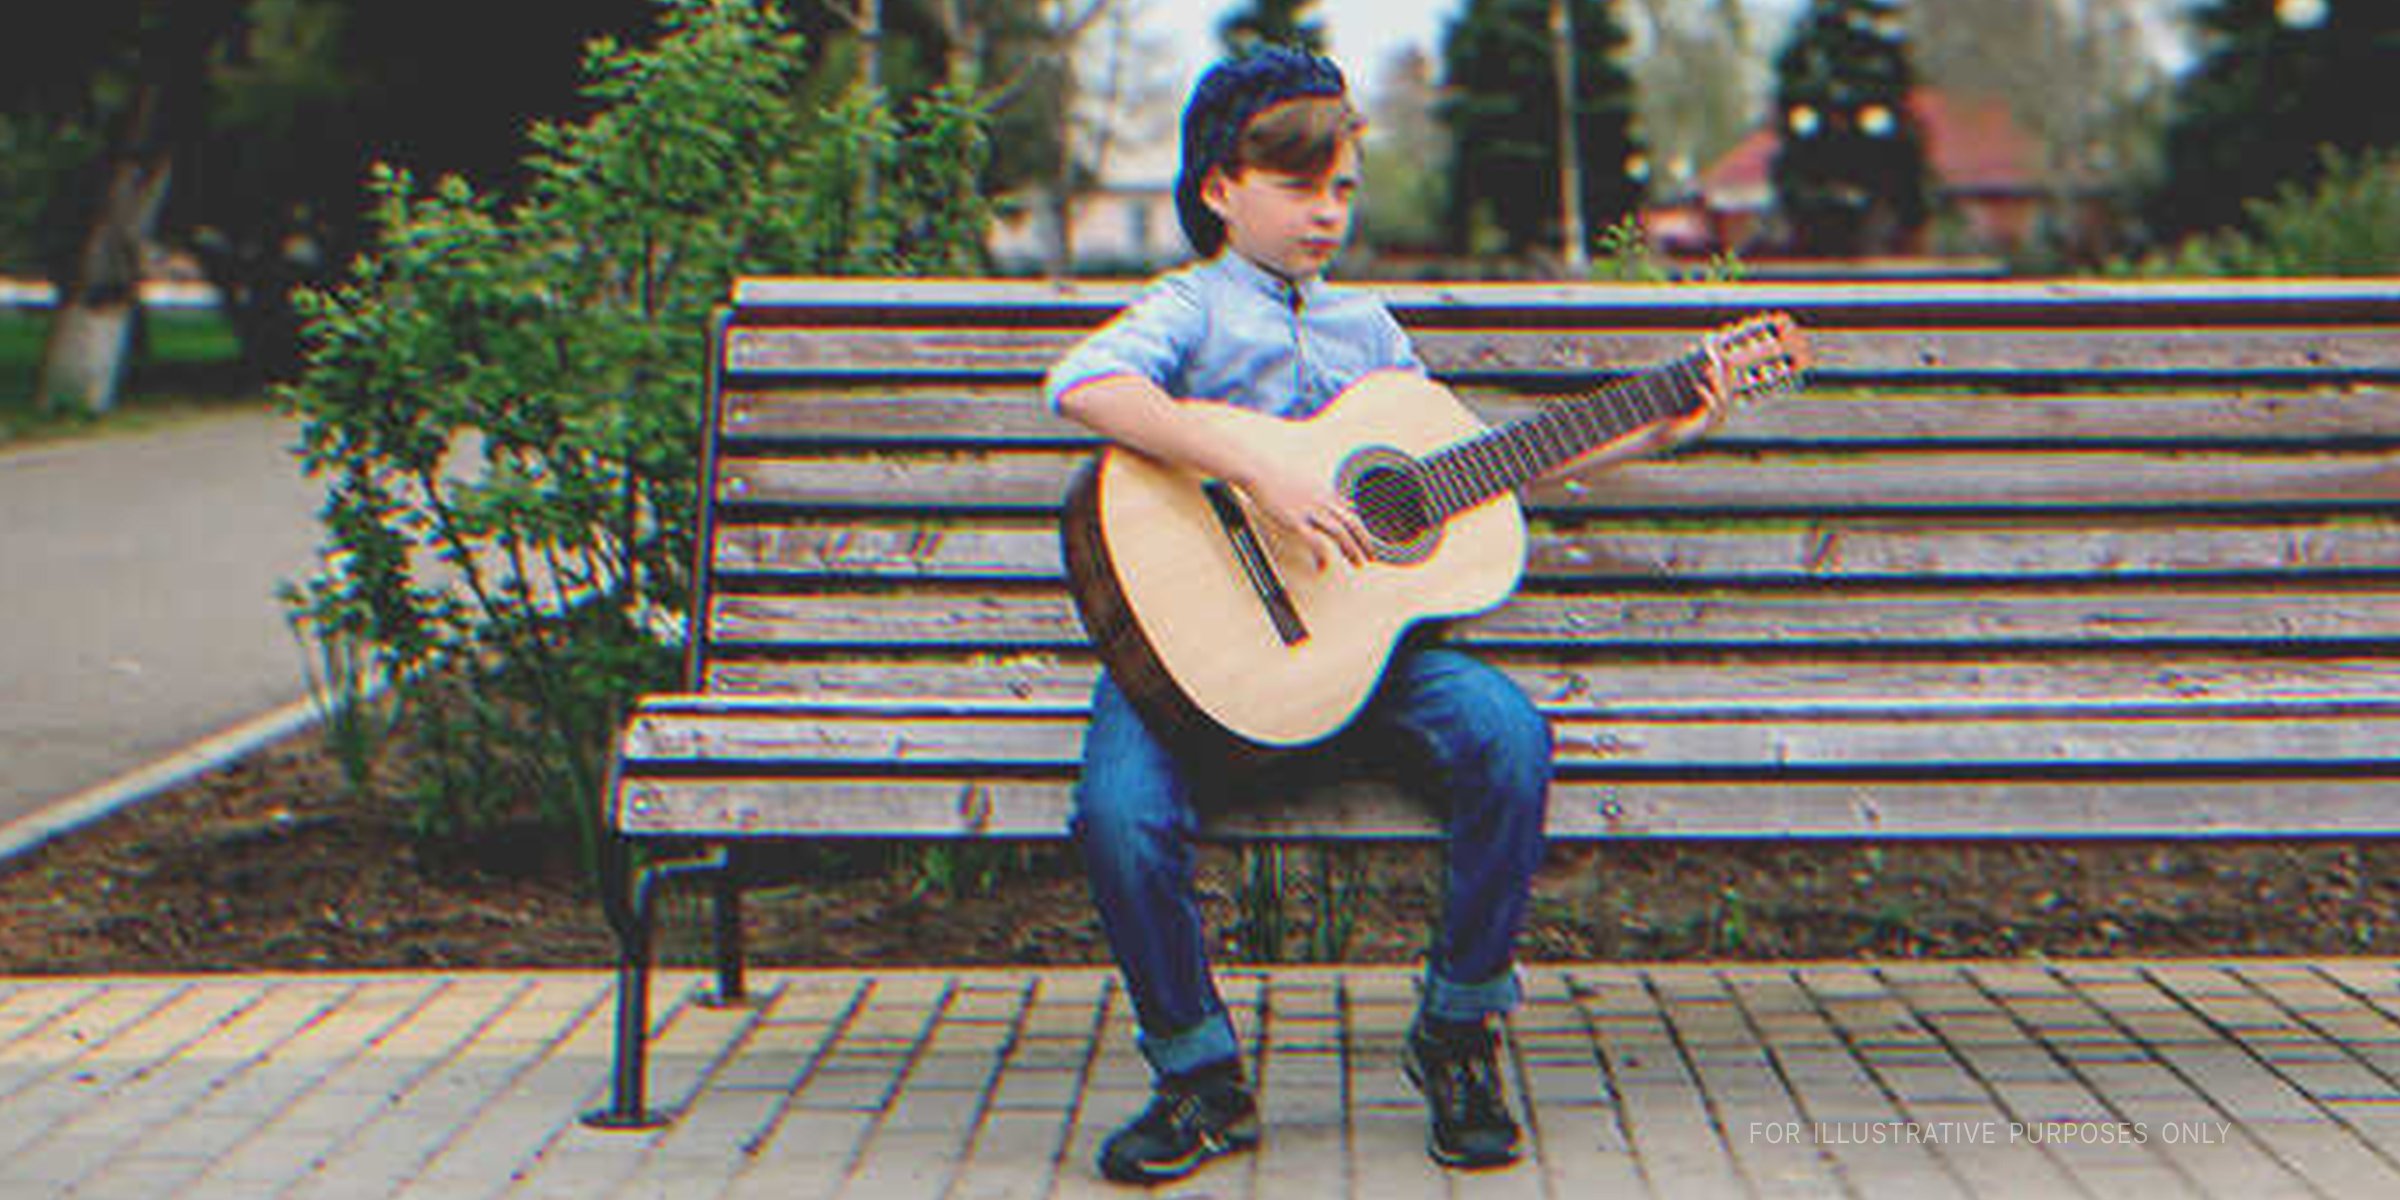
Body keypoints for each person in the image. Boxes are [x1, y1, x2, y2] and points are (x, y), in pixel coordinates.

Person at [1043, 45, 1725, 1185]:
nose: (1328, 213)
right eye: (1301, 186)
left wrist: (1654, 422)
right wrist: (1258, 471)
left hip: (1363, 657)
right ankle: (1198, 1076)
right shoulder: (1188, 309)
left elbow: (1467, 466)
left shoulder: (1369, 333)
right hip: (1189, 656)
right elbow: (1084, 387)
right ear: (1219, 188)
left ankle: (1456, 1035)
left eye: (1344, 189)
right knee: (1118, 815)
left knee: (1506, 736)